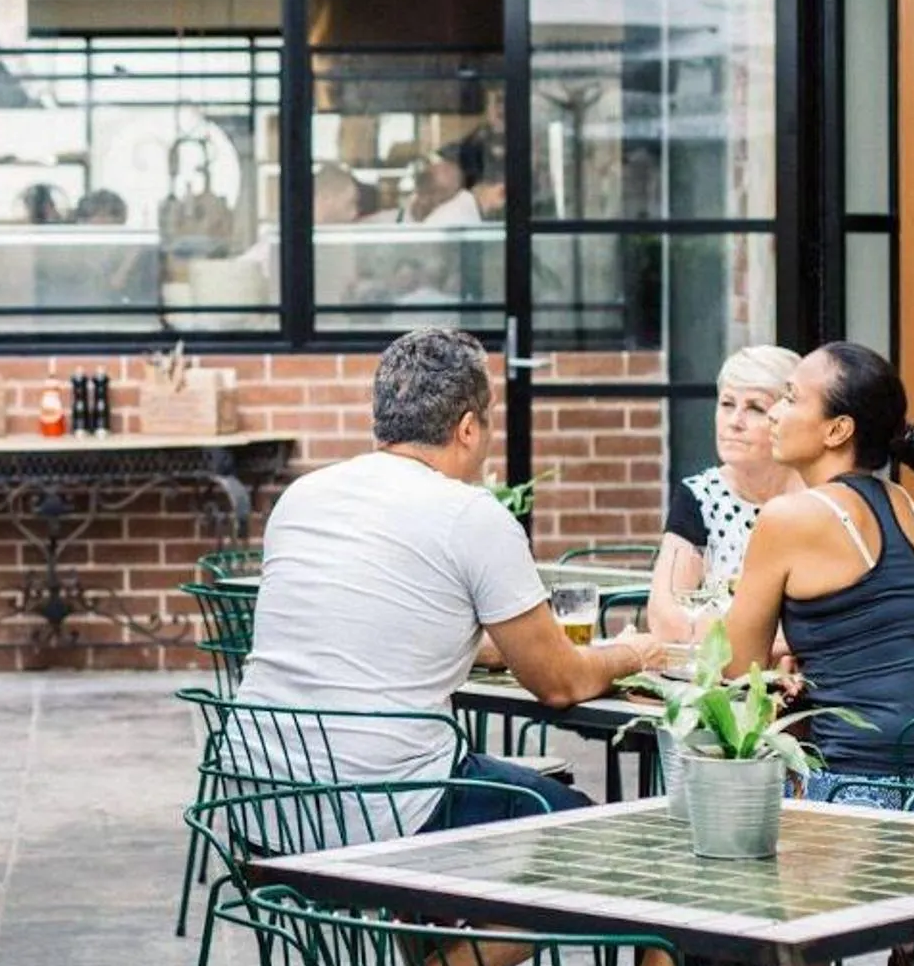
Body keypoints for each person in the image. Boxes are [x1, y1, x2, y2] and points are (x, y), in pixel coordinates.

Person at [239, 328, 657, 833]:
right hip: (386, 812)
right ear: (467, 428)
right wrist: (637, 654)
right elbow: (559, 683)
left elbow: (377, 633)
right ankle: (451, 910)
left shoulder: (302, 497)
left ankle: (439, 915)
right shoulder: (469, 514)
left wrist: (504, 648)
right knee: (593, 832)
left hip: (263, 807)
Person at [725, 342, 914, 808]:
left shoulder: (788, 517)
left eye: (791, 398)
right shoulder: (904, 504)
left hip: (858, 771)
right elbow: (876, 631)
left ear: (838, 429)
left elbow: (738, 668)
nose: (774, 414)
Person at [646, 344, 805, 641]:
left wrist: (716, 627)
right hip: (721, 678)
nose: (735, 422)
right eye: (727, 404)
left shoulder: (819, 499)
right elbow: (666, 619)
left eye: (756, 408)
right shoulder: (700, 495)